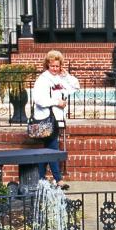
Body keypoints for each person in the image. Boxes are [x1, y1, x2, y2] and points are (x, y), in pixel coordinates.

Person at [31, 50, 80, 190]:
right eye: (52, 66)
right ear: (47, 65)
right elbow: (39, 100)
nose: (55, 69)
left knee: (48, 149)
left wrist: (66, 75)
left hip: (56, 119)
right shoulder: (43, 79)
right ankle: (58, 179)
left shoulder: (60, 78)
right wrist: (57, 102)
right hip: (46, 119)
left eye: (57, 66)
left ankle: (40, 179)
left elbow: (76, 86)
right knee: (52, 149)